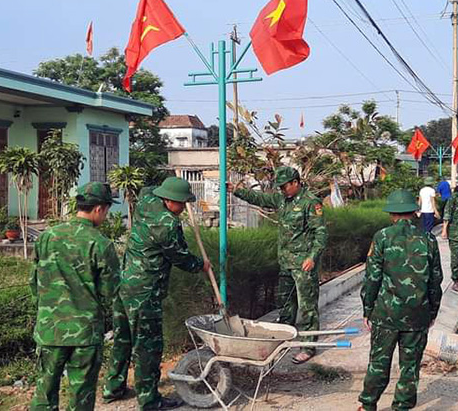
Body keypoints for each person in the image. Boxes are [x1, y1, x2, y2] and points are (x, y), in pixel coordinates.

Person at [103, 178, 211, 410]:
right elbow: (181, 257)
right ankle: (149, 400)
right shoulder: (167, 225)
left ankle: (113, 388)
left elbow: (148, 188)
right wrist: (201, 265)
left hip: (124, 286)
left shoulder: (145, 202)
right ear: (169, 200)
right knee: (148, 347)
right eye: (181, 203)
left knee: (123, 339)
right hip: (145, 292)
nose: (184, 208)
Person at [30, 182, 120, 411]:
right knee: (81, 395)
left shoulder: (47, 236)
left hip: (50, 329)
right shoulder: (101, 244)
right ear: (99, 209)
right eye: (107, 211)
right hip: (85, 333)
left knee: (45, 391)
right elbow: (109, 291)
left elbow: (35, 281)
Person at [231, 166, 327, 364]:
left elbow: (321, 234)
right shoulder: (281, 200)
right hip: (285, 263)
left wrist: (312, 257)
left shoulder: (311, 202)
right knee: (285, 304)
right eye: (280, 187)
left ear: (296, 183)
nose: (282, 190)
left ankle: (308, 346)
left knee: (307, 306)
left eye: (285, 186)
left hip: (303, 264)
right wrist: (237, 190)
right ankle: (284, 339)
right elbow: (260, 199)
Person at [358, 189, 443, 411]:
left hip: (386, 314)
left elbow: (372, 279)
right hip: (417, 315)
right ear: (413, 212)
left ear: (392, 214)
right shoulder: (428, 239)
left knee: (378, 363)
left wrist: (367, 310)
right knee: (410, 366)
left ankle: (368, 405)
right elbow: (436, 281)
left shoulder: (382, 237)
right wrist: (432, 312)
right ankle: (402, 406)